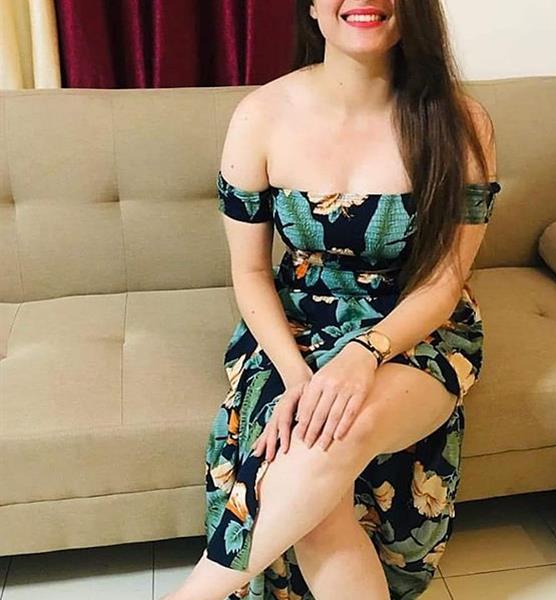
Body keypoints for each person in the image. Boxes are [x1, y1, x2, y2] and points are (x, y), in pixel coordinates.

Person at [165, 1, 501, 599]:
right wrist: (298, 377)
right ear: (313, 6)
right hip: (295, 324)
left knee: (338, 432)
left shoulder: (460, 121)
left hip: (415, 325)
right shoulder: (260, 115)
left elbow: (444, 281)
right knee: (317, 494)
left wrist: (365, 353)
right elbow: (249, 271)